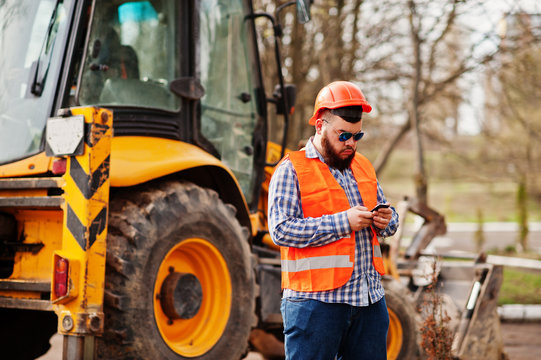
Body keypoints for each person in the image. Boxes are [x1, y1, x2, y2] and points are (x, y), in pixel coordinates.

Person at [268, 81, 399, 360]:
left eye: (357, 135)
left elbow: (390, 221)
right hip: (316, 305)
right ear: (319, 125)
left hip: (369, 302)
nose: (351, 143)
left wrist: (387, 220)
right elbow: (280, 230)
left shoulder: (362, 165)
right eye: (343, 136)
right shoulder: (291, 169)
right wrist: (344, 222)